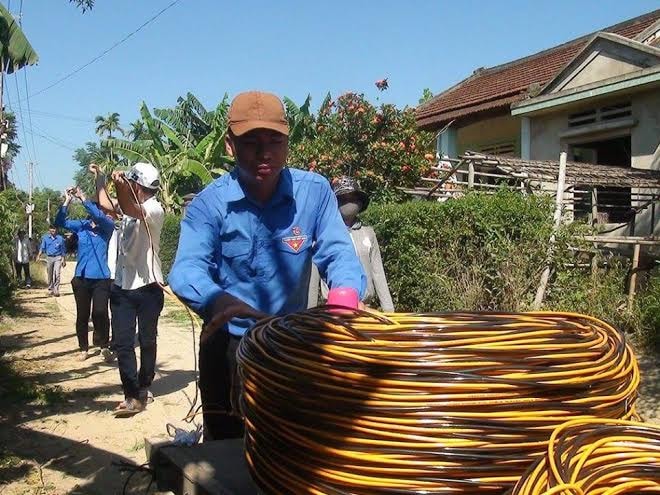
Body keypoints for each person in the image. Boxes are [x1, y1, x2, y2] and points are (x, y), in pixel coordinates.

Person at [168, 91, 366, 441]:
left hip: (288, 344)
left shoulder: (315, 192)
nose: (265, 153)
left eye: (275, 140)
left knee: (290, 443)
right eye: (251, 142)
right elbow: (186, 270)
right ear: (230, 145)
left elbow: (338, 251)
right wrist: (217, 300)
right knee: (226, 455)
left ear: (288, 142)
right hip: (228, 346)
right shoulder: (208, 205)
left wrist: (346, 293)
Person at [109, 162, 165, 417]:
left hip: (148, 288)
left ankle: (144, 385)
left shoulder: (154, 209)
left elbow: (131, 207)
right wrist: (102, 180)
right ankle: (132, 394)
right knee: (122, 343)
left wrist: (121, 186)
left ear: (137, 185)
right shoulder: (129, 210)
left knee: (147, 339)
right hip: (122, 287)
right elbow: (105, 204)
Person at [309, 176, 395, 312]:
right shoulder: (323, 236)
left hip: (366, 309)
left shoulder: (368, 234)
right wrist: (309, 315)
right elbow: (313, 280)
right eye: (343, 199)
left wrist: (389, 311)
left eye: (353, 198)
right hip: (335, 309)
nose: (349, 203)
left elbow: (378, 273)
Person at [55, 186, 115, 362]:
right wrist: (67, 200)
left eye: (97, 209)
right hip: (81, 278)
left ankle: (104, 346)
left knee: (100, 312)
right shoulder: (81, 226)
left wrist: (83, 198)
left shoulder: (107, 227)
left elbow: (99, 217)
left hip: (101, 279)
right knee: (82, 315)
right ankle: (83, 348)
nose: (95, 214)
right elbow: (60, 221)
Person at [36, 225, 66, 297]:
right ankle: (50, 289)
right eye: (52, 229)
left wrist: (64, 259)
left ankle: (56, 289)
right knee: (50, 274)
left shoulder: (60, 238)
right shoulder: (45, 238)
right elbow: (42, 248)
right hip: (49, 257)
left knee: (57, 273)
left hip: (58, 258)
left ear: (56, 230)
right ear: (49, 230)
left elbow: (63, 250)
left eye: (54, 229)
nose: (53, 231)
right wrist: (38, 255)